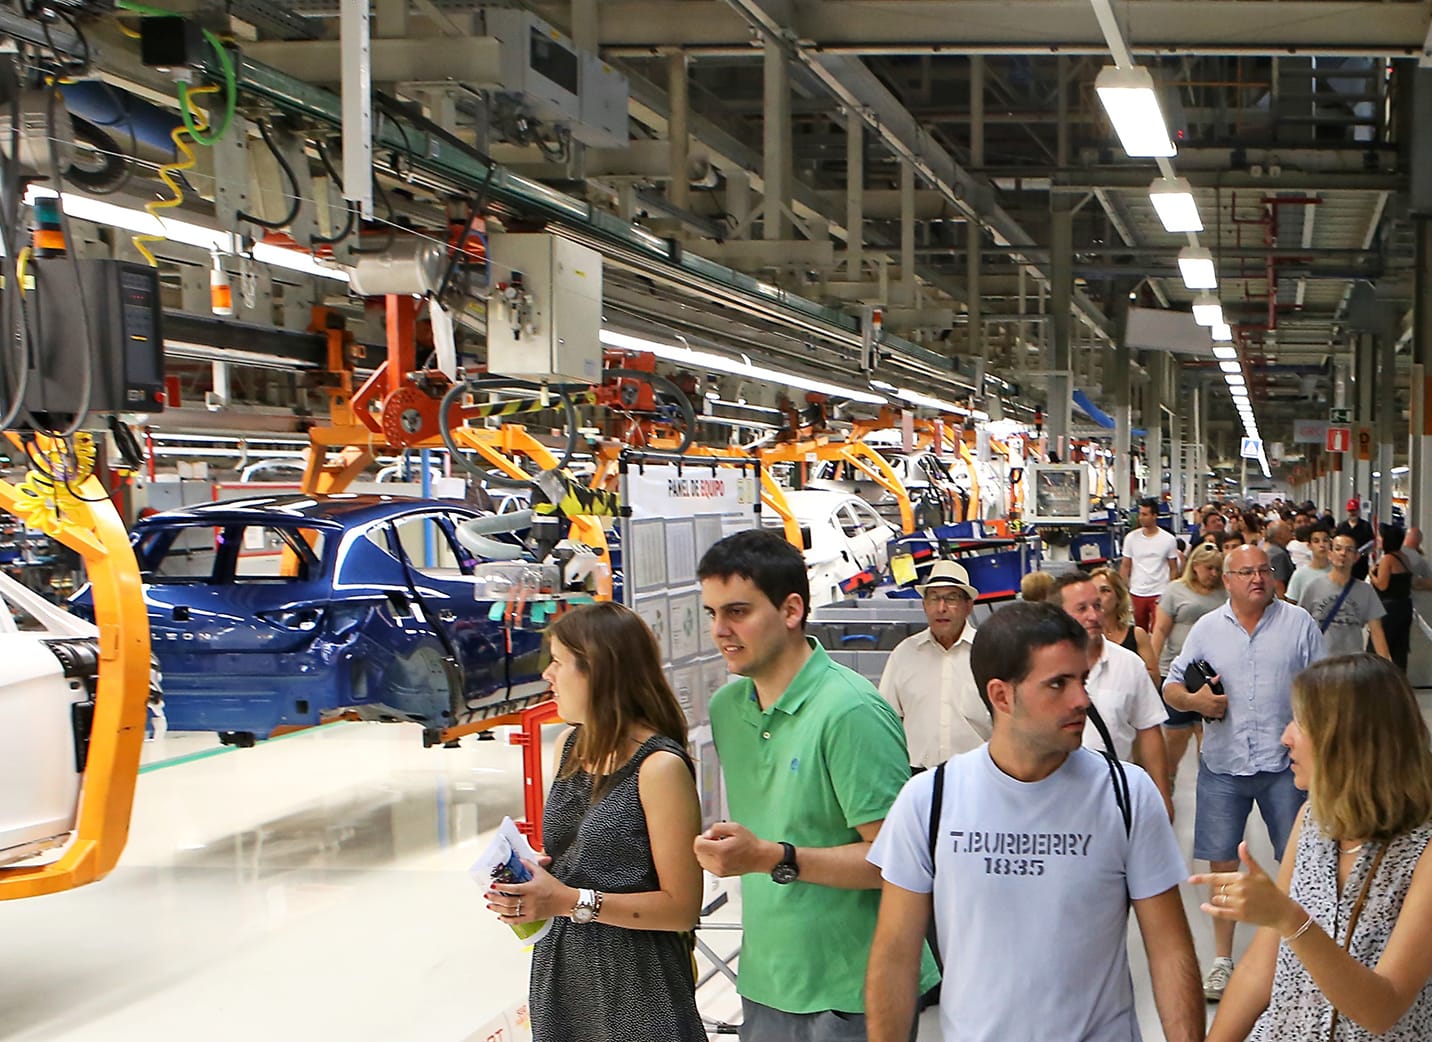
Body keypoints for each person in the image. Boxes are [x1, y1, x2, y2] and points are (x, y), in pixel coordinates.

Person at [863, 602, 1204, 1042]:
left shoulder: (1126, 795)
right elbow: (895, 957)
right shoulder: (931, 800)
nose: (1081, 699)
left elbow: (1169, 950)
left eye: (1081, 679)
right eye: (1057, 684)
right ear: (1001, 695)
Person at [693, 529, 938, 1039]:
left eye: (737, 611)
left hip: (852, 992)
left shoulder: (849, 712)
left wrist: (772, 857)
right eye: (711, 613)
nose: (720, 629)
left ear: (791, 610)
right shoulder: (728, 709)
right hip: (767, 980)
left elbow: (896, 864)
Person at [486, 602, 706, 1042]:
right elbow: (579, 861)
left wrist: (569, 900)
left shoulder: (659, 768)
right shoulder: (569, 746)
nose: (548, 674)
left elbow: (683, 908)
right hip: (562, 973)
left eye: (559, 662)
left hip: (637, 988)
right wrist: (531, 886)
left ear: (600, 672)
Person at [1193, 654, 1432, 1041]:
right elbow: (1260, 967)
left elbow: (1383, 1009)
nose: (1285, 736)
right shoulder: (1312, 821)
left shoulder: (1423, 852)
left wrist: (1289, 919)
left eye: (1300, 723)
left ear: (1349, 739)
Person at [1164, 544, 1328, 1002]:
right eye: (1246, 572)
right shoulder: (1206, 629)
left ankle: (1301, 951)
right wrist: (1196, 702)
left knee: (1299, 861)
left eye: (1264, 571)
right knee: (1221, 865)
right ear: (1228, 580)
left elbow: (1326, 688)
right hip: (1223, 764)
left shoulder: (1300, 626)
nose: (1257, 578)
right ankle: (1222, 960)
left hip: (1286, 767)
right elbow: (1172, 686)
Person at [1054, 572, 1173, 818]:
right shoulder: (1039, 667)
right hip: (1056, 800)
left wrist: (1162, 796)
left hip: (1114, 799)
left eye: (1097, 606)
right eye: (1082, 608)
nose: (1094, 615)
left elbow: (1149, 730)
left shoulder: (1129, 664)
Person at [879, 560, 989, 771]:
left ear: (968, 606)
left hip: (978, 774)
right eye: (934, 598)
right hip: (916, 775)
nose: (941, 608)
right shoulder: (904, 654)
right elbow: (887, 721)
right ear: (924, 605)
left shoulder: (989, 652)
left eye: (951, 598)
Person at [1150, 542, 1227, 794]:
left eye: (1218, 569)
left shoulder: (1224, 593)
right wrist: (1151, 662)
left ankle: (1210, 783)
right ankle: (1168, 778)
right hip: (1177, 671)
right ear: (1194, 567)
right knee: (1175, 735)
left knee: (1205, 733)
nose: (1213, 574)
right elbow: (1160, 629)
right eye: (1208, 569)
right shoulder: (1175, 591)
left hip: (1213, 675)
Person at [1298, 532, 1390, 659]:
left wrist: (1387, 666)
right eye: (1338, 549)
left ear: (1356, 557)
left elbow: (1377, 632)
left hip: (1352, 665)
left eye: (1349, 550)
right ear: (1330, 554)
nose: (1343, 553)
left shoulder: (1366, 591)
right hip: (1319, 664)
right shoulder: (1313, 587)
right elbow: (1300, 626)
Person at [1088, 565, 1160, 687]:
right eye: (1093, 591)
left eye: (1105, 590)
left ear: (1119, 597)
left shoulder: (1137, 635)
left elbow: (1155, 679)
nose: (1098, 597)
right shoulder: (1081, 637)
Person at [1120, 497, 1180, 632]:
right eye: (1140, 514)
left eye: (1145, 514)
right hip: (1137, 592)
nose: (1141, 518)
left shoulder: (1168, 540)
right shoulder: (1131, 538)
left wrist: (1170, 592)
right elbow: (1125, 566)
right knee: (1139, 631)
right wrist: (1123, 589)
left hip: (1159, 592)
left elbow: (1174, 569)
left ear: (1154, 516)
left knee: (1158, 630)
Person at [1371, 524, 1415, 671]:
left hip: (1389, 608)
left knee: (1379, 646)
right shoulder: (1405, 558)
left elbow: (1382, 585)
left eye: (1380, 537)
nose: (1377, 539)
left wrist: (1372, 575)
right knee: (1400, 648)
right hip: (1405, 606)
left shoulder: (1388, 559)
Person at [1284, 527, 1332, 604]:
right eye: (1316, 541)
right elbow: (1291, 603)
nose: (1322, 545)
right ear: (1309, 546)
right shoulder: (1300, 574)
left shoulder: (1338, 572)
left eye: (1325, 541)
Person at [1335, 497, 1375, 581]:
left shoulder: (1365, 526)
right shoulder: (1342, 526)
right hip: (1344, 562)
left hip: (1361, 564)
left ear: (1359, 511)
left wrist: (1361, 551)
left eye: (1354, 510)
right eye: (1350, 511)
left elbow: (1371, 542)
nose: (1352, 513)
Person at [1263, 521, 1294, 598]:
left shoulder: (1272, 550)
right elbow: (1278, 583)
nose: (1291, 531)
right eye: (1287, 529)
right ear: (1281, 535)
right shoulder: (1278, 554)